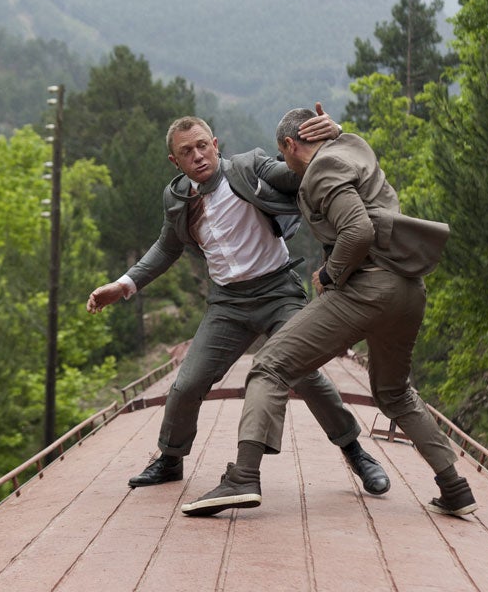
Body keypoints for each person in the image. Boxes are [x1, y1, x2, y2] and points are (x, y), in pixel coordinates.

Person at [180, 108, 476, 518]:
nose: (287, 167)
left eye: (285, 157)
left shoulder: (318, 171)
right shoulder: (355, 148)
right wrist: (338, 130)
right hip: (409, 291)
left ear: (289, 145)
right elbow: (346, 152)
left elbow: (358, 231)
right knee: (394, 392)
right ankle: (455, 486)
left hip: (368, 287)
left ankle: (244, 476)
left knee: (269, 367)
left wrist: (330, 275)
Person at [86, 108, 390, 496]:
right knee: (186, 384)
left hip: (278, 292)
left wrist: (333, 138)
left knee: (306, 375)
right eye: (186, 151)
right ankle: (170, 458)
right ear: (174, 161)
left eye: (202, 146)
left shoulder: (249, 168)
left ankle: (356, 451)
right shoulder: (177, 197)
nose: (197, 156)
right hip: (227, 304)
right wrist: (123, 284)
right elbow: (167, 247)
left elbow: (301, 172)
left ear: (215, 145)